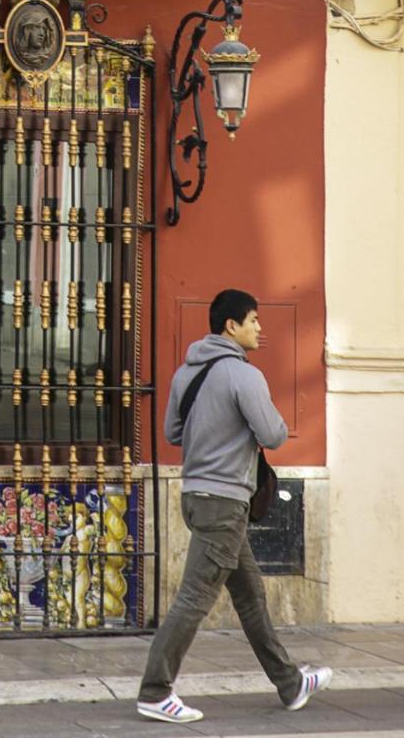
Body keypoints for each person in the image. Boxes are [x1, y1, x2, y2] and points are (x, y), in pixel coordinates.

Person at [137, 289, 331, 724]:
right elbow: (274, 433)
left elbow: (172, 431)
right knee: (195, 598)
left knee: (249, 594)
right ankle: (155, 691)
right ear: (232, 326)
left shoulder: (187, 373)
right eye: (254, 320)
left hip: (196, 497)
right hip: (224, 502)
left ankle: (290, 682)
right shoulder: (245, 376)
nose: (260, 328)